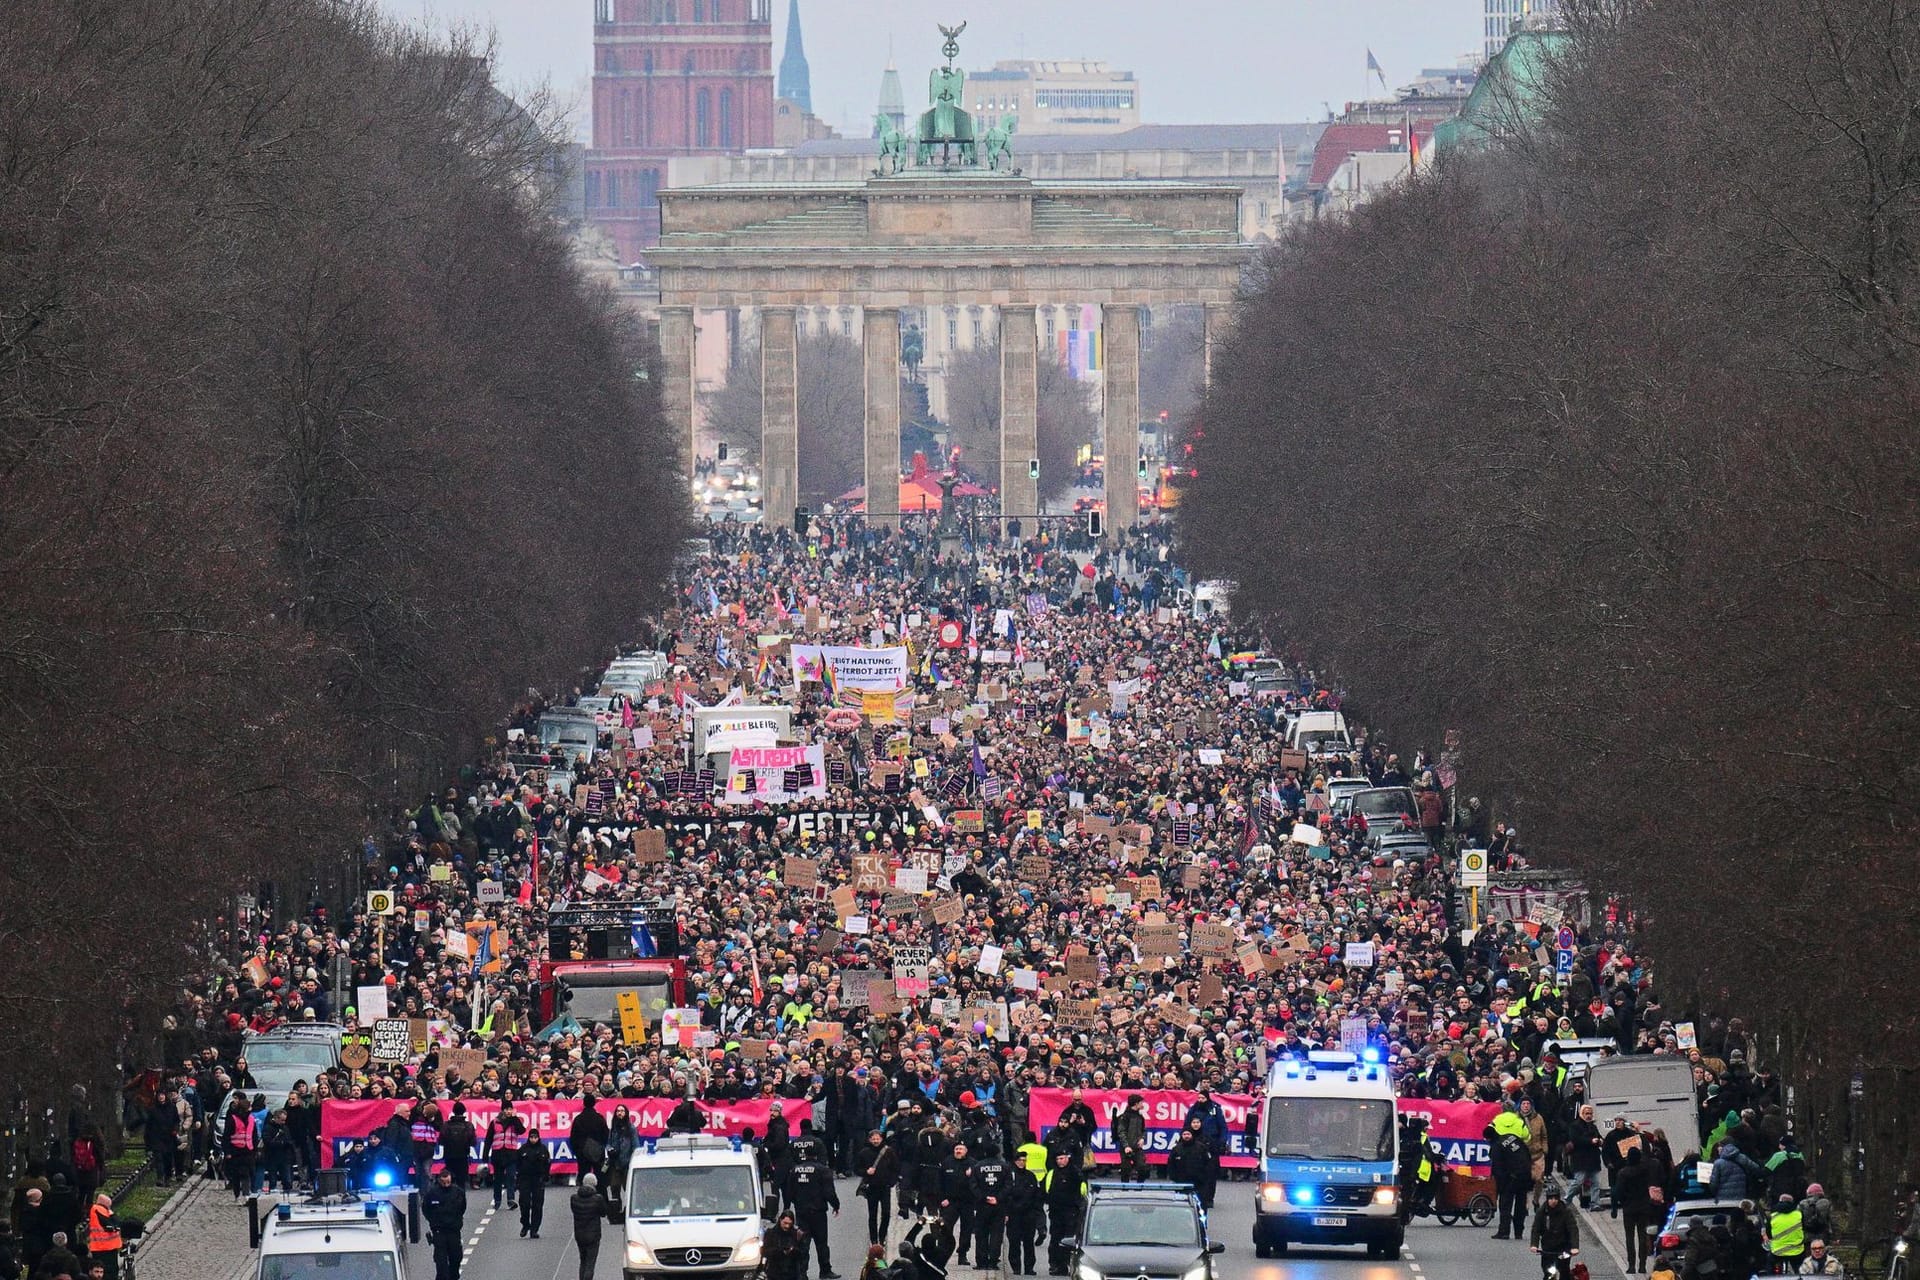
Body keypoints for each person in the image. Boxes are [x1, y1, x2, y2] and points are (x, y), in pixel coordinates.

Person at [784, 1145, 841, 1278]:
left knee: (803, 1243)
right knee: (821, 1243)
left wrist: (797, 1204)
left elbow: (789, 1192)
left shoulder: (795, 1170)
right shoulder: (823, 1170)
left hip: (801, 1212)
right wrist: (836, 1205)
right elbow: (829, 1192)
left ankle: (802, 1273)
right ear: (816, 1155)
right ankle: (825, 1270)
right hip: (818, 1212)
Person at [1489, 1106, 1534, 1241]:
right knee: (1520, 1205)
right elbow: (1527, 1139)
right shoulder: (1517, 1131)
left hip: (1509, 1178)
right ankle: (1519, 1232)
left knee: (1506, 1205)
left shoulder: (1497, 1141)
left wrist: (1500, 1184)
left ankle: (1504, 1232)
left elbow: (1497, 1166)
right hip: (1523, 1175)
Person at [967, 1140, 1011, 1273]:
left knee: (981, 1234)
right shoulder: (1005, 1167)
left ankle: (981, 1261)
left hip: (982, 1205)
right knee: (996, 1234)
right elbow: (1008, 1185)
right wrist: (997, 1198)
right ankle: (993, 1261)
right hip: (999, 1206)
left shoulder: (977, 1167)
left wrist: (984, 1197)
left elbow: (973, 1186)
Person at [1613, 1146, 1656, 1273]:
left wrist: (1622, 1202)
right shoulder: (1645, 1171)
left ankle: (1631, 1265)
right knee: (1643, 1236)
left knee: (1629, 1237)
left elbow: (1619, 1191)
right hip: (1643, 1207)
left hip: (1629, 1208)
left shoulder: (1623, 1173)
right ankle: (1642, 1265)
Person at [1041, 1151, 1084, 1276]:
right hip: (1056, 1213)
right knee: (1055, 1239)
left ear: (1067, 1158)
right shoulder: (1052, 1173)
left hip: (1071, 1212)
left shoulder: (1075, 1173)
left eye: (1062, 1158)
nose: (1060, 1161)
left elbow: (1083, 1189)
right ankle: (1055, 1265)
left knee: (1069, 1240)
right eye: (1058, 1159)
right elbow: (1045, 1190)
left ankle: (1067, 1264)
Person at [422, 1168, 468, 1280]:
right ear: (439, 1180)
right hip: (439, 1231)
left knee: (456, 1258)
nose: (446, 1185)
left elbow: (462, 1208)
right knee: (441, 1262)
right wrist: (433, 1222)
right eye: (443, 1182)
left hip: (453, 1230)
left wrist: (456, 1220)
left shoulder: (458, 1192)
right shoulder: (432, 1193)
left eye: (448, 1182)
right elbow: (426, 1209)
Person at [1165, 1118, 1220, 1211]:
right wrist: (1174, 1177)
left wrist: (1205, 1178)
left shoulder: (1201, 1148)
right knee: (1181, 1207)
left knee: (1200, 1208)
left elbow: (1209, 1164)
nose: (1186, 1136)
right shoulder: (1176, 1149)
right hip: (1181, 1183)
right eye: (1184, 1134)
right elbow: (1171, 1164)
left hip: (1199, 1183)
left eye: (1188, 1134)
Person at [857, 1129, 899, 1245]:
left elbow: (895, 1168)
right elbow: (857, 1169)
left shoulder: (889, 1152)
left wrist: (892, 1182)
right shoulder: (864, 1153)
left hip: (885, 1187)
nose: (875, 1141)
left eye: (877, 1139)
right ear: (869, 1140)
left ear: (881, 1139)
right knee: (872, 1215)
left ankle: (882, 1236)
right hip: (872, 1187)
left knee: (886, 1213)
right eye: (873, 1139)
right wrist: (866, 1171)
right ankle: (874, 1240)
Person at [1529, 1182, 1579, 1278]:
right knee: (1548, 1272)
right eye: (1551, 1198)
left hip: (1563, 1248)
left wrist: (1574, 1247)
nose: (1553, 1201)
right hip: (1548, 1248)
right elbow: (1536, 1229)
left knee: (1564, 1271)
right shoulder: (1542, 1212)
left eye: (1556, 1198)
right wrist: (1534, 1245)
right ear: (1547, 1199)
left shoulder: (1565, 1212)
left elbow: (1573, 1229)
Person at [1004, 1158, 1044, 1277]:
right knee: (1014, 1241)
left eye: (1024, 1160)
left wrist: (1035, 1211)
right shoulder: (1010, 1175)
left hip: (1028, 1214)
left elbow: (1036, 1195)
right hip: (1013, 1214)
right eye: (1019, 1160)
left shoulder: (1031, 1176)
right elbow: (1007, 1194)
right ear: (1014, 1162)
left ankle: (1029, 1267)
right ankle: (1016, 1267)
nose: (1022, 1162)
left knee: (1028, 1242)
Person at [484, 1103, 526, 1211]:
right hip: (498, 1153)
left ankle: (511, 1199)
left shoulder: (515, 1121)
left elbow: (521, 1130)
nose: (508, 1111)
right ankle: (497, 1200)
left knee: (511, 1177)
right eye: (506, 1109)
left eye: (510, 1109)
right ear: (502, 1110)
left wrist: (515, 1118)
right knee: (498, 1178)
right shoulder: (495, 1122)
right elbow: (488, 1139)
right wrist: (485, 1155)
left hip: (511, 1153)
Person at [571, 1172, 608, 1280]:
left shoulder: (574, 1198)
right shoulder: (598, 1199)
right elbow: (603, 1213)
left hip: (579, 1234)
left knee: (583, 1260)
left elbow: (574, 1211)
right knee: (590, 1263)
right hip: (593, 1235)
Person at [518, 1125, 551, 1239]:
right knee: (524, 1203)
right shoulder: (523, 1149)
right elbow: (518, 1164)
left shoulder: (543, 1149)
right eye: (531, 1137)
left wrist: (546, 1176)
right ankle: (525, 1224)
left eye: (535, 1137)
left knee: (537, 1205)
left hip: (538, 1179)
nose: (533, 1139)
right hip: (525, 1179)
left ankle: (534, 1229)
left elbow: (547, 1164)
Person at [1111, 1096, 1148, 1184]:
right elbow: (1121, 1132)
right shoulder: (1124, 1117)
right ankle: (1124, 1189)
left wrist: (1143, 1138)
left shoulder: (1140, 1116)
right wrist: (1126, 1146)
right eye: (1141, 1102)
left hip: (1137, 1147)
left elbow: (1143, 1130)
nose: (1142, 1104)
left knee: (1142, 1167)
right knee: (1125, 1169)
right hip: (1126, 1148)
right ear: (1136, 1104)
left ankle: (1140, 1187)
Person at [83, 1194, 121, 1280]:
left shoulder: (101, 1209)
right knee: (109, 1271)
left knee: (105, 1270)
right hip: (104, 1247)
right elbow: (111, 1224)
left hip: (102, 1246)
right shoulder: (98, 1209)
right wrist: (112, 1215)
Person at [440, 1103, 477, 1189]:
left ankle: (449, 1199)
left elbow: (441, 1141)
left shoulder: (446, 1125)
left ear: (453, 1111)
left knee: (449, 1181)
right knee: (461, 1182)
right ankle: (461, 1200)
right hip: (463, 1156)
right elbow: (473, 1142)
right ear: (464, 1111)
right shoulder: (468, 1125)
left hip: (449, 1156)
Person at [1768, 1193, 1808, 1272]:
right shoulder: (1799, 1214)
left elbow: (1769, 1234)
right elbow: (1804, 1228)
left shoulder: (1772, 1216)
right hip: (1797, 1251)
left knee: (1769, 1263)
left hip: (1778, 1252)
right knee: (1800, 1271)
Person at [764, 1210, 808, 1280]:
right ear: (780, 1220)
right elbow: (765, 1252)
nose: (787, 1226)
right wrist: (780, 1251)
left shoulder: (797, 1235)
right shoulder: (771, 1233)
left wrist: (793, 1250)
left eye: (790, 1224)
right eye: (785, 1223)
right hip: (774, 1273)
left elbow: (804, 1253)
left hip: (792, 1274)